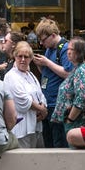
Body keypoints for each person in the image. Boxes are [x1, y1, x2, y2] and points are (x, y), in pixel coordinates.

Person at [31, 18, 73, 148]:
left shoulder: (65, 49)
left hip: (59, 104)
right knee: (48, 142)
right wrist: (40, 65)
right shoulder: (50, 49)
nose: (42, 43)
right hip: (48, 102)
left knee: (58, 142)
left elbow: (69, 74)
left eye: (44, 40)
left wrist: (47, 63)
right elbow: (48, 72)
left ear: (53, 35)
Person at [4, 41, 46, 147]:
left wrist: (43, 109)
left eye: (26, 57)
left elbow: (40, 94)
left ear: (31, 58)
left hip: (35, 124)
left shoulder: (31, 75)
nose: (23, 60)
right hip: (21, 127)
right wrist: (42, 110)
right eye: (20, 56)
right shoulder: (11, 76)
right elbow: (23, 99)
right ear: (15, 57)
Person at [51, 38, 85, 139]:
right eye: (68, 49)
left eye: (71, 49)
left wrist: (70, 119)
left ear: (79, 52)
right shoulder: (77, 69)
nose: (68, 52)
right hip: (73, 123)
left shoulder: (81, 71)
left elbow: (82, 98)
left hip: (78, 124)